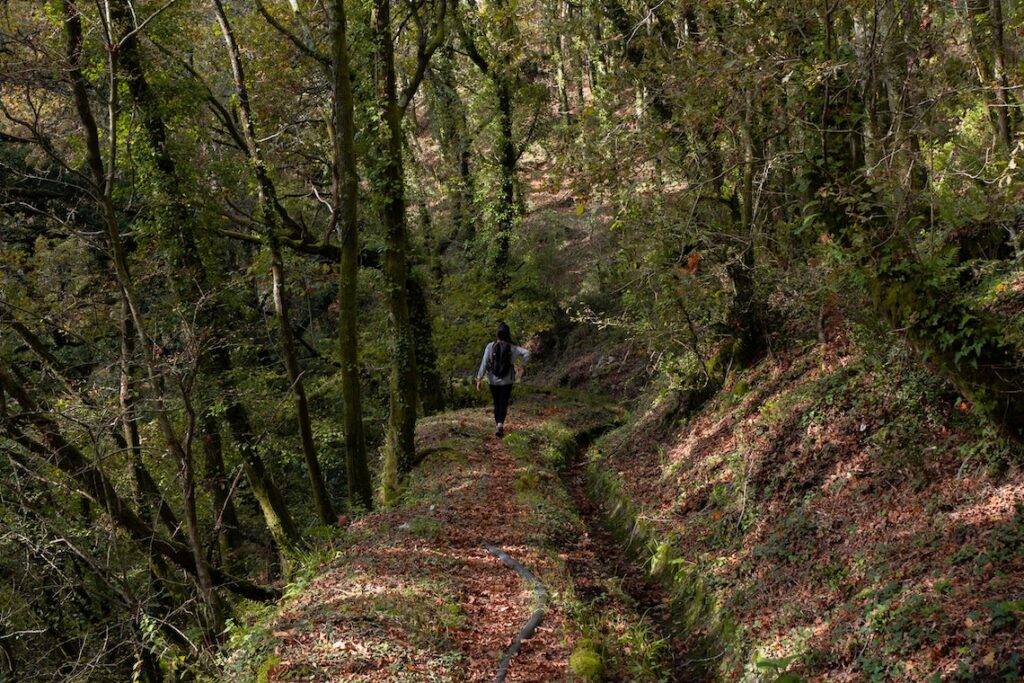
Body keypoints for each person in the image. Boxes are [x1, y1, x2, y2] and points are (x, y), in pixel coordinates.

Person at [475, 322, 530, 437]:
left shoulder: (490, 346)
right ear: (508, 334)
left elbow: (484, 363)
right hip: (507, 380)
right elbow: (527, 353)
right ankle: (500, 425)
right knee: (503, 403)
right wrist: (522, 366)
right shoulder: (513, 348)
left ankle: (497, 426)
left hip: (492, 380)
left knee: (496, 403)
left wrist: (479, 379)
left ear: (497, 334)